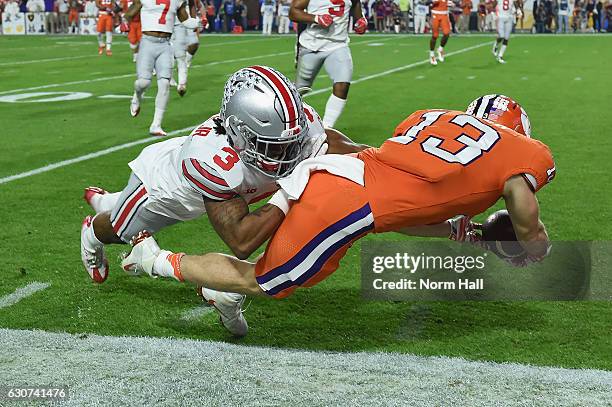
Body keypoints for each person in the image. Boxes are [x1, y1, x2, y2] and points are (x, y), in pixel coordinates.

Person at [123, 94, 556, 336]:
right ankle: (156, 260)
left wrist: (459, 231)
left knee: (297, 271)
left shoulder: (430, 116)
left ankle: (223, 294)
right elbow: (520, 197)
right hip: (345, 203)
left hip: (348, 184)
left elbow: (401, 203)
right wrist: (533, 239)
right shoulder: (526, 154)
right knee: (264, 280)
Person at [80, 66, 366, 285]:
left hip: (225, 191)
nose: (289, 154)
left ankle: (108, 199)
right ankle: (91, 233)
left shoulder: (294, 126)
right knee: (118, 230)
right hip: (164, 190)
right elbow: (242, 241)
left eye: (292, 144)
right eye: (273, 147)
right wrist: (291, 188)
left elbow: (351, 151)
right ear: (239, 135)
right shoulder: (212, 160)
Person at [125, 0, 200, 136]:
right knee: (144, 82)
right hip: (147, 42)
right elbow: (130, 13)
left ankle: (156, 125)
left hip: (165, 44)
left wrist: (198, 22)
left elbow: (186, 21)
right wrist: (124, 24)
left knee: (164, 83)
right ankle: (137, 96)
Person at [290, 0, 367, 128]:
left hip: (339, 45)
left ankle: (326, 129)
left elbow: (355, 2)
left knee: (343, 85)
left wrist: (360, 19)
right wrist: (316, 18)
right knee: (299, 89)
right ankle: (275, 112)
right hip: (312, 45)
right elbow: (293, 12)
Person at [171, 0, 205, 96]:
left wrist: (195, 21)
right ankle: (174, 80)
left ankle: (181, 83)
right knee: (172, 53)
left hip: (184, 21)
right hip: (169, 24)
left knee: (194, 44)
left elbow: (192, 5)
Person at [429, 0, 451, 65]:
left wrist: (450, 3)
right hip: (435, 14)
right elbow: (427, 2)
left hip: (444, 14)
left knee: (447, 33)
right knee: (435, 35)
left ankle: (440, 49)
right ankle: (432, 54)